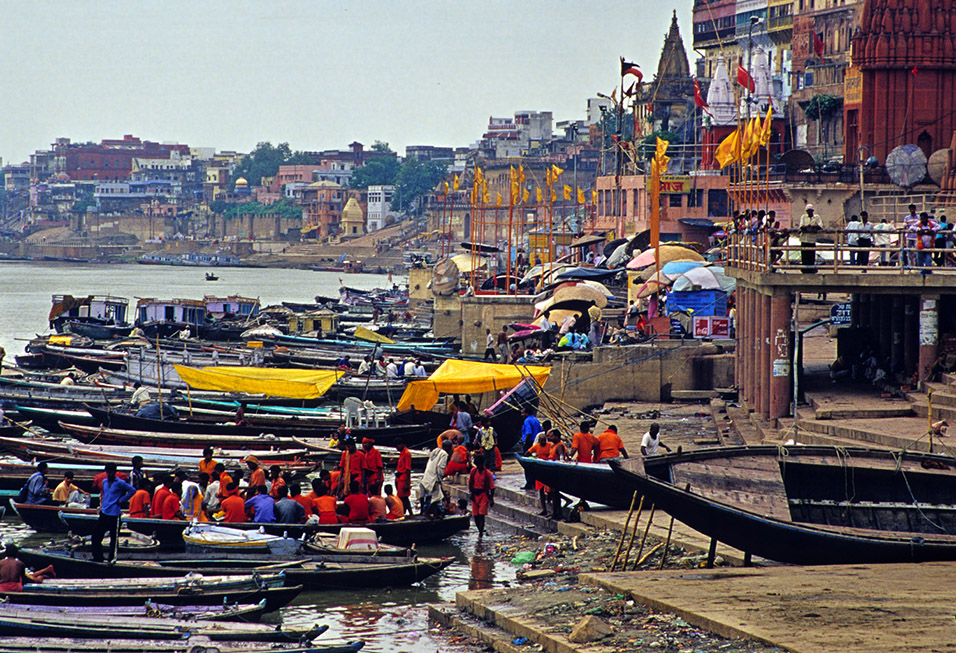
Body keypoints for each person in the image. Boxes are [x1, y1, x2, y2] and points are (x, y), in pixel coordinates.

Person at [91, 463, 135, 563]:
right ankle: (98, 557)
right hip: (104, 512)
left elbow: (132, 490)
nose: (109, 474)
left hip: (114, 514)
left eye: (111, 472)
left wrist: (122, 500)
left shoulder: (120, 483)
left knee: (113, 540)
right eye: (107, 472)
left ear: (114, 472)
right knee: (96, 535)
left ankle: (112, 559)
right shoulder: (104, 482)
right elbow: (105, 495)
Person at [420, 441, 452, 514]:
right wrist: (439, 479)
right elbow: (440, 467)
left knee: (434, 497)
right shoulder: (444, 454)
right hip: (434, 478)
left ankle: (430, 513)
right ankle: (426, 513)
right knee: (437, 498)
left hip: (427, 476)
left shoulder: (435, 451)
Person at [526, 432, 553, 516]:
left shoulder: (550, 445)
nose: (543, 442)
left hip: (548, 470)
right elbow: (527, 453)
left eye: (544, 440)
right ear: (539, 441)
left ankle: (551, 509)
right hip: (539, 470)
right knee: (541, 491)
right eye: (541, 440)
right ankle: (544, 509)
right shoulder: (536, 446)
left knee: (550, 491)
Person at [468, 455, 495, 538]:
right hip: (475, 494)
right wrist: (471, 493)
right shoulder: (473, 471)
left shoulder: (487, 473)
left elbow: (492, 487)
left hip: (483, 494)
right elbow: (470, 482)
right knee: (475, 515)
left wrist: (491, 499)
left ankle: (480, 533)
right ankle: (480, 530)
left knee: (481, 515)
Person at [797, 204, 823, 273]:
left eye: (810, 211)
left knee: (811, 255)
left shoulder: (816, 217)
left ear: (813, 211)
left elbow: (820, 226)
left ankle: (811, 269)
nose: (809, 212)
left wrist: (814, 226)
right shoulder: (803, 217)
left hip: (812, 239)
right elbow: (801, 226)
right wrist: (807, 227)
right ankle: (805, 269)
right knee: (804, 255)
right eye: (808, 211)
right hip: (804, 239)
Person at [394, 439, 413, 515]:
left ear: (401, 444)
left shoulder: (406, 453)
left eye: (397, 446)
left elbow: (408, 469)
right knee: (401, 497)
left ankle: (410, 513)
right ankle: (404, 512)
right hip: (399, 478)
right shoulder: (402, 453)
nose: (397, 448)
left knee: (404, 497)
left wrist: (407, 483)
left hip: (404, 478)